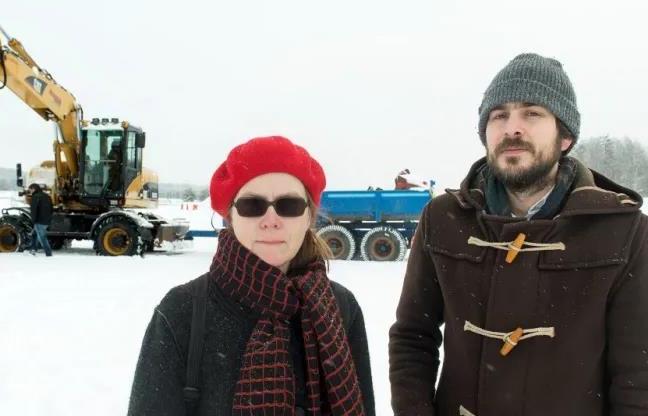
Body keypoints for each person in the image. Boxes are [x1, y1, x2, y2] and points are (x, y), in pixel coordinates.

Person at [388, 53, 648, 415]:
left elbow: (637, 374)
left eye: (532, 113)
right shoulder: (443, 219)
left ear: (565, 136)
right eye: (499, 115)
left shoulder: (623, 230)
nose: (512, 128)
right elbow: (412, 337)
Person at [128, 136, 375, 415]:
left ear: (309, 217)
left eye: (289, 205)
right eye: (252, 206)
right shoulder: (182, 311)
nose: (271, 220)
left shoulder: (340, 307)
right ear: (230, 217)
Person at [28, 183, 53, 257]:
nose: (30, 191)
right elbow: (51, 208)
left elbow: (34, 210)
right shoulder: (47, 196)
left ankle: (48, 253)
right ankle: (33, 250)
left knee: (42, 237)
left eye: (30, 190)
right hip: (46, 220)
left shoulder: (35, 197)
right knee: (34, 234)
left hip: (39, 221)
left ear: (34, 189)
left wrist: (33, 220)